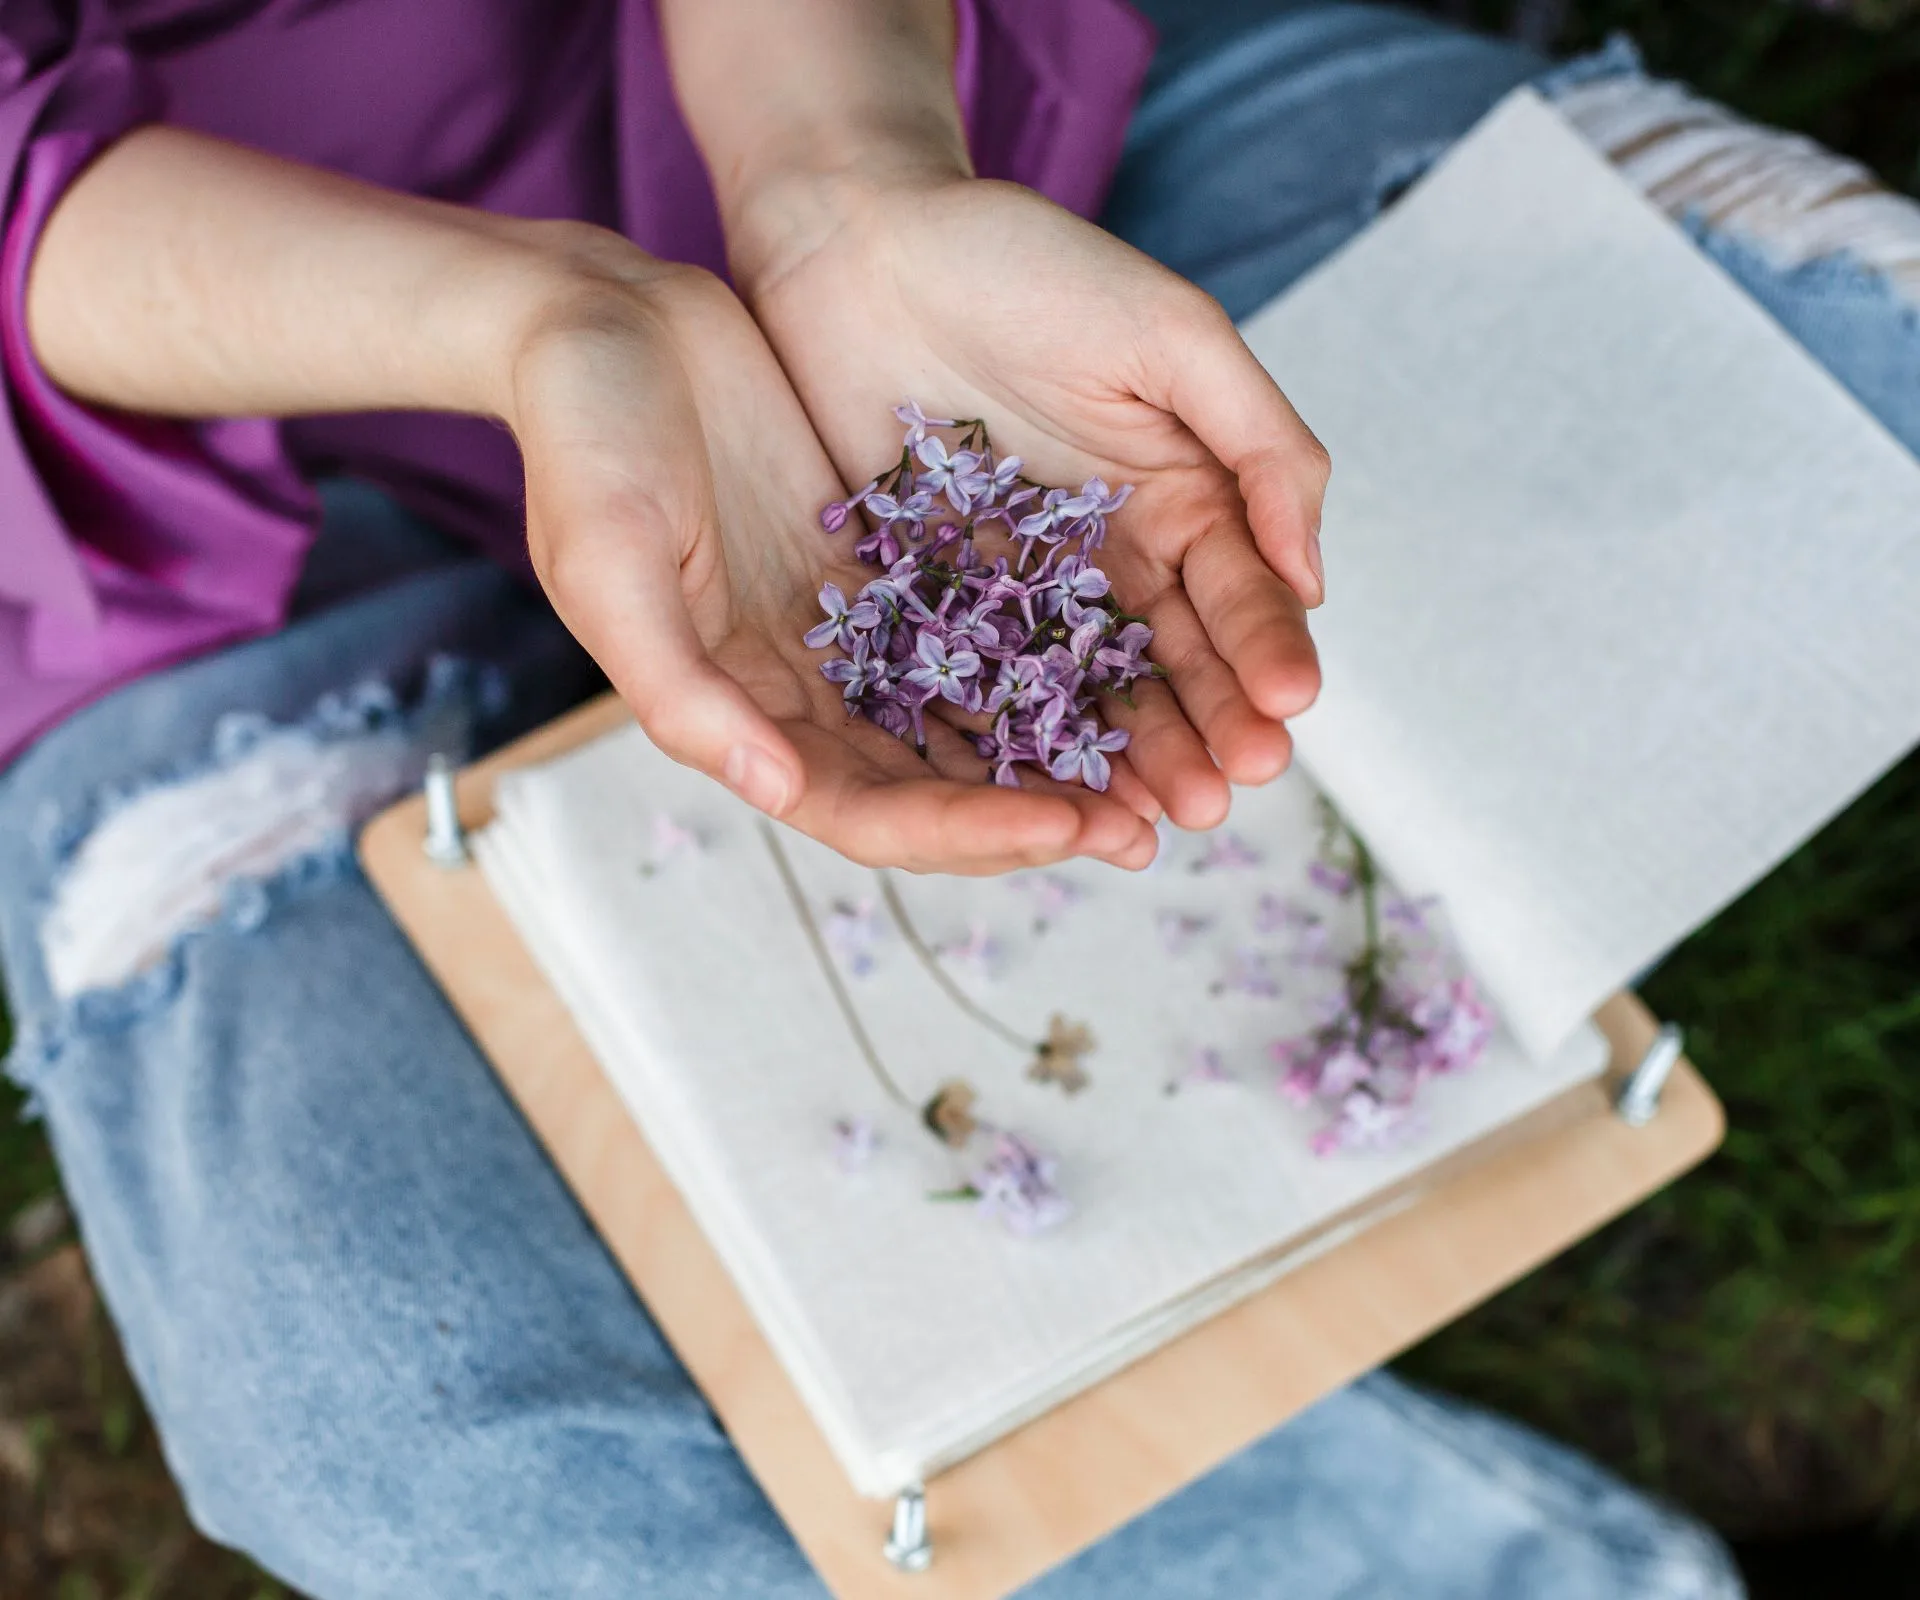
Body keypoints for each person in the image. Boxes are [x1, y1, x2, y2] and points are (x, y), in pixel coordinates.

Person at [12, 0, 1912, 1591]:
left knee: (1859, 391)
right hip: (198, 505)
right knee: (411, 1433)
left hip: (907, 129)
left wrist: (842, 179)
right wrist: (542, 327)